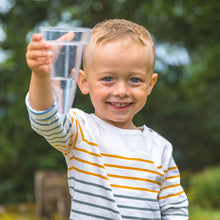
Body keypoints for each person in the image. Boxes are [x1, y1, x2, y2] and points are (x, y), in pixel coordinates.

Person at [25, 19, 189, 219]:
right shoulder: (80, 129)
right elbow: (45, 119)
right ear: (84, 82)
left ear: (150, 84)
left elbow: (175, 210)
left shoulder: (160, 149)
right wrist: (41, 76)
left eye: (134, 80)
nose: (121, 91)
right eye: (108, 79)